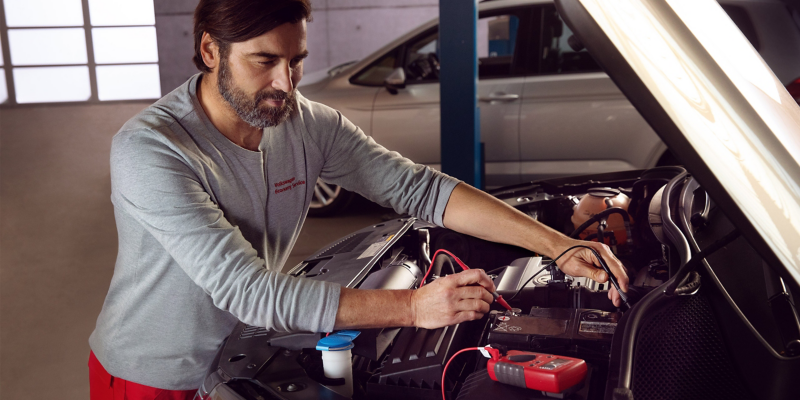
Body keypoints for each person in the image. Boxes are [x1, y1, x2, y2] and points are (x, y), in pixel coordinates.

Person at [88, 0, 629, 398]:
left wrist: (556, 244)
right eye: (264, 61)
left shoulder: (305, 124)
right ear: (210, 50)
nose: (286, 83)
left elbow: (419, 187)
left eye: (295, 60)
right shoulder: (150, 149)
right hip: (153, 374)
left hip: (247, 355)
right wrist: (414, 307)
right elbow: (247, 290)